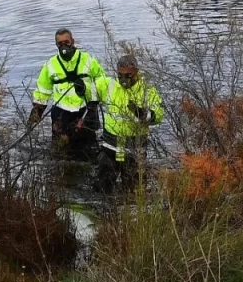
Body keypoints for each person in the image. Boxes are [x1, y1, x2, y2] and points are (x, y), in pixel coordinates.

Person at [92, 55, 163, 192]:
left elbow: (159, 114)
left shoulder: (147, 91)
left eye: (128, 75)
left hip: (134, 151)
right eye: (120, 75)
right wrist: (85, 94)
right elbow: (90, 88)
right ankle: (104, 211)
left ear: (136, 72)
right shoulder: (108, 85)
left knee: (134, 192)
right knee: (101, 190)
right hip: (110, 148)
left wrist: (144, 114)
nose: (124, 79)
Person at [29, 28, 105, 157]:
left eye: (67, 42)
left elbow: (102, 82)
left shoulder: (88, 60)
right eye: (60, 44)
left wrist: (88, 91)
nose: (64, 47)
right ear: (56, 45)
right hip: (61, 113)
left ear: (73, 41)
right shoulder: (51, 64)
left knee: (89, 152)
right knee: (60, 151)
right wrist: (36, 113)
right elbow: (43, 90)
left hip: (85, 110)